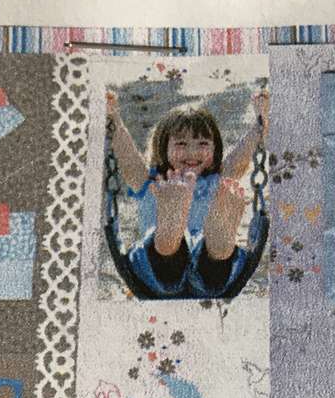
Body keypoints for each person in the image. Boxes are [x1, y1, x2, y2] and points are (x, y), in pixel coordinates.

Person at [106, 87, 268, 297]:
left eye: (203, 143)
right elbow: (129, 159)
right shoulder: (153, 183)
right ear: (163, 146)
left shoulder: (219, 183)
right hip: (157, 274)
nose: (192, 151)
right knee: (167, 252)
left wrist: (261, 123)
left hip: (209, 273)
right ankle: (172, 230)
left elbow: (241, 156)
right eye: (181, 143)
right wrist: (113, 119)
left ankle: (218, 236)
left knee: (213, 257)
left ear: (216, 149)